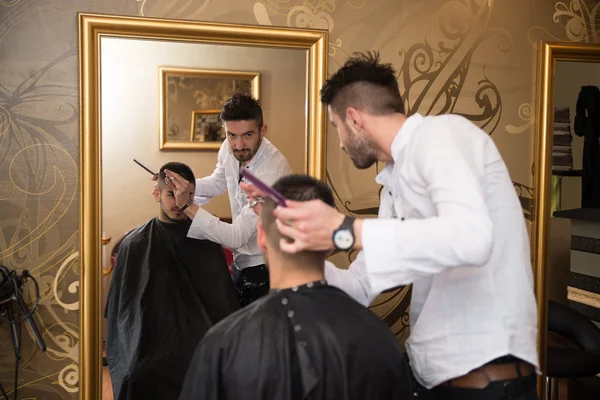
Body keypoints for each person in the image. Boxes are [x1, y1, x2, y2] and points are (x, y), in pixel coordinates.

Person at [242, 52, 540, 400]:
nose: (339, 141)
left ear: (353, 119)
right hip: (432, 379)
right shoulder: (394, 187)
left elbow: (472, 238)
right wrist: (293, 234)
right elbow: (360, 285)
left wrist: (347, 231)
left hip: (486, 386)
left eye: (336, 126)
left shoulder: (442, 135)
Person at [179, 174, 412, 400]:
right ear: (329, 246)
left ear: (261, 238)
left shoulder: (223, 344)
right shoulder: (379, 339)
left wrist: (269, 221)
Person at [105, 161, 240, 400]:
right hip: (150, 345)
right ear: (156, 193)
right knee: (136, 374)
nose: (179, 202)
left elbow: (222, 305)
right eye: (171, 194)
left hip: (200, 342)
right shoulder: (135, 244)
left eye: (186, 195)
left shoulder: (206, 241)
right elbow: (123, 314)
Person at [163, 93, 292, 306]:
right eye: (232, 135)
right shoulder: (228, 147)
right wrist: (181, 183)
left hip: (272, 270)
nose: (238, 145)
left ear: (263, 131)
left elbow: (236, 237)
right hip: (242, 265)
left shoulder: (271, 173)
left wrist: (187, 205)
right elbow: (217, 182)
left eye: (248, 135)